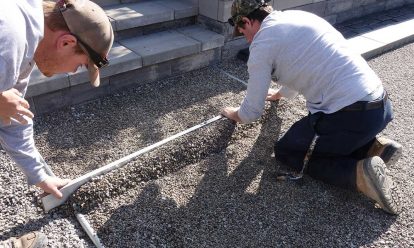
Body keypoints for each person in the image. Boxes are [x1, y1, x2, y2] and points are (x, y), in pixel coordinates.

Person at [222, 0, 403, 215]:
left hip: (350, 116)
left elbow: (251, 113)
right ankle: (376, 148)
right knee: (319, 136)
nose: (246, 37)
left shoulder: (262, 44)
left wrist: (232, 113)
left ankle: (359, 174)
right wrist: (280, 94)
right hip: (379, 108)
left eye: (242, 31)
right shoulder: (298, 17)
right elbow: (302, 67)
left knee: (287, 151)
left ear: (247, 20)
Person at [0, 0, 113, 246]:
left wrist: (40, 175)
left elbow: (14, 117)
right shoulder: (9, 37)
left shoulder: (28, 36)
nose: (73, 72)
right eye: (81, 65)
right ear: (66, 42)